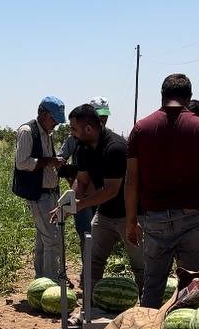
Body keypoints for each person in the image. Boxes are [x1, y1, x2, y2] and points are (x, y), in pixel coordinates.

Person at [125, 74, 199, 307]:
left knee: (153, 286)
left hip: (155, 221)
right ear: (189, 97)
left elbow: (132, 181)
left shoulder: (141, 129)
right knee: (196, 286)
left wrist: (131, 220)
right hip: (194, 219)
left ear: (162, 96)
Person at [53, 103, 144, 290]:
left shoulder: (116, 148)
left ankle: (148, 309)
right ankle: (88, 308)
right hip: (104, 215)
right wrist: (68, 203)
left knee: (141, 267)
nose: (71, 133)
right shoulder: (83, 149)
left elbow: (111, 190)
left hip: (130, 216)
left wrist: (80, 205)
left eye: (73, 128)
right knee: (92, 263)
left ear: (88, 128)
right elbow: (83, 182)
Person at [12, 96, 66, 280]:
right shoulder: (28, 131)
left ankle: (41, 281)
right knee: (52, 240)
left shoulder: (47, 133)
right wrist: (49, 161)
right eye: (54, 119)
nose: (56, 124)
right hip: (38, 194)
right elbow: (22, 163)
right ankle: (50, 282)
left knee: (44, 240)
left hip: (50, 194)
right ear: (43, 113)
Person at [58, 96, 111, 241]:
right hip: (82, 194)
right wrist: (71, 173)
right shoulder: (74, 139)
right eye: (100, 116)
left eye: (105, 116)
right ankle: (87, 262)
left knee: (100, 236)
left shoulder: (110, 141)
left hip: (102, 196)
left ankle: (94, 263)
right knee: (85, 233)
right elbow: (60, 160)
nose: (103, 119)